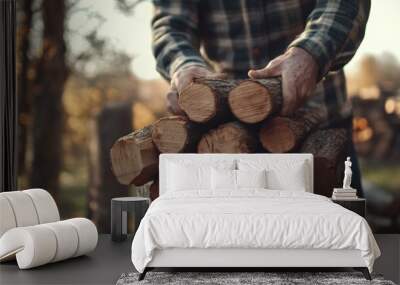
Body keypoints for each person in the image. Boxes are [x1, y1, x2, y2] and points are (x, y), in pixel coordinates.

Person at [151, 0, 370, 196]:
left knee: (342, 232)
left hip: (322, 126)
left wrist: (311, 53)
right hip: (229, 138)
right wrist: (183, 64)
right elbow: (171, 26)